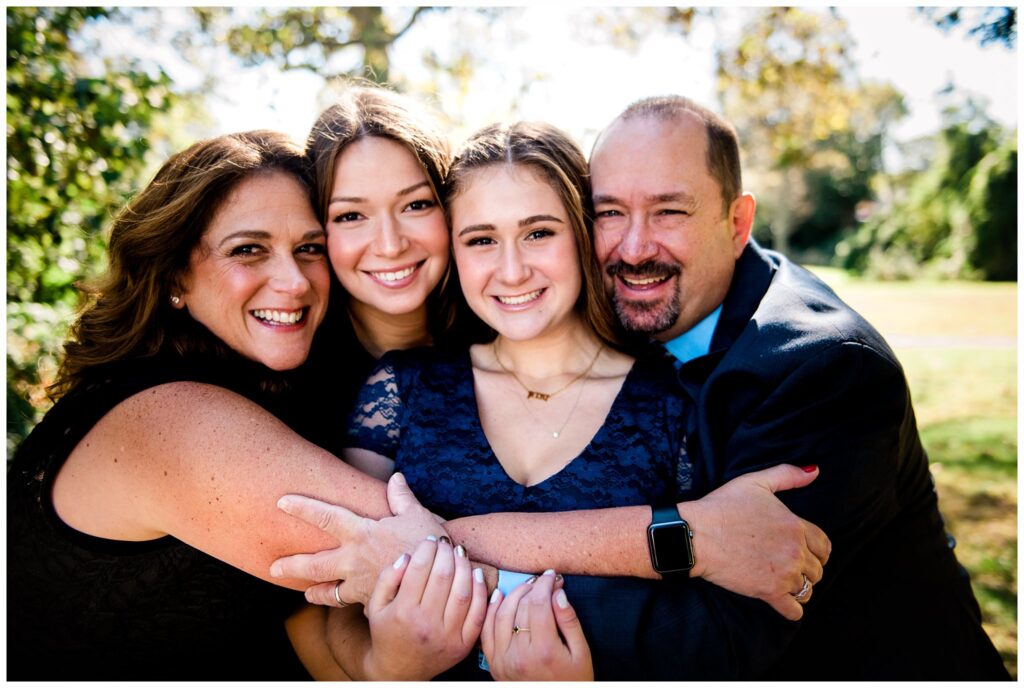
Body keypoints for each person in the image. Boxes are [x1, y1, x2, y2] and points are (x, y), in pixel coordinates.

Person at [6, 108, 821, 680]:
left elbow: (335, 623)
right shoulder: (171, 420)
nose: (291, 278)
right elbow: (411, 554)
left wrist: (382, 665)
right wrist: (683, 539)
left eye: (310, 245)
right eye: (248, 250)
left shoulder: (311, 390)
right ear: (176, 275)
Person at [584, 95, 1009, 679]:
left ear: (737, 224)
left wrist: (480, 592)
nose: (633, 249)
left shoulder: (828, 371)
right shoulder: (613, 324)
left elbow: (718, 638)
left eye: (668, 212)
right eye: (609, 213)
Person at [335, 120, 696, 679]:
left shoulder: (673, 401)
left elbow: (708, 621)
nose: (511, 270)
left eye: (538, 233)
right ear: (454, 251)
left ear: (581, 233)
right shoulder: (400, 389)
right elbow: (341, 595)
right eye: (481, 240)